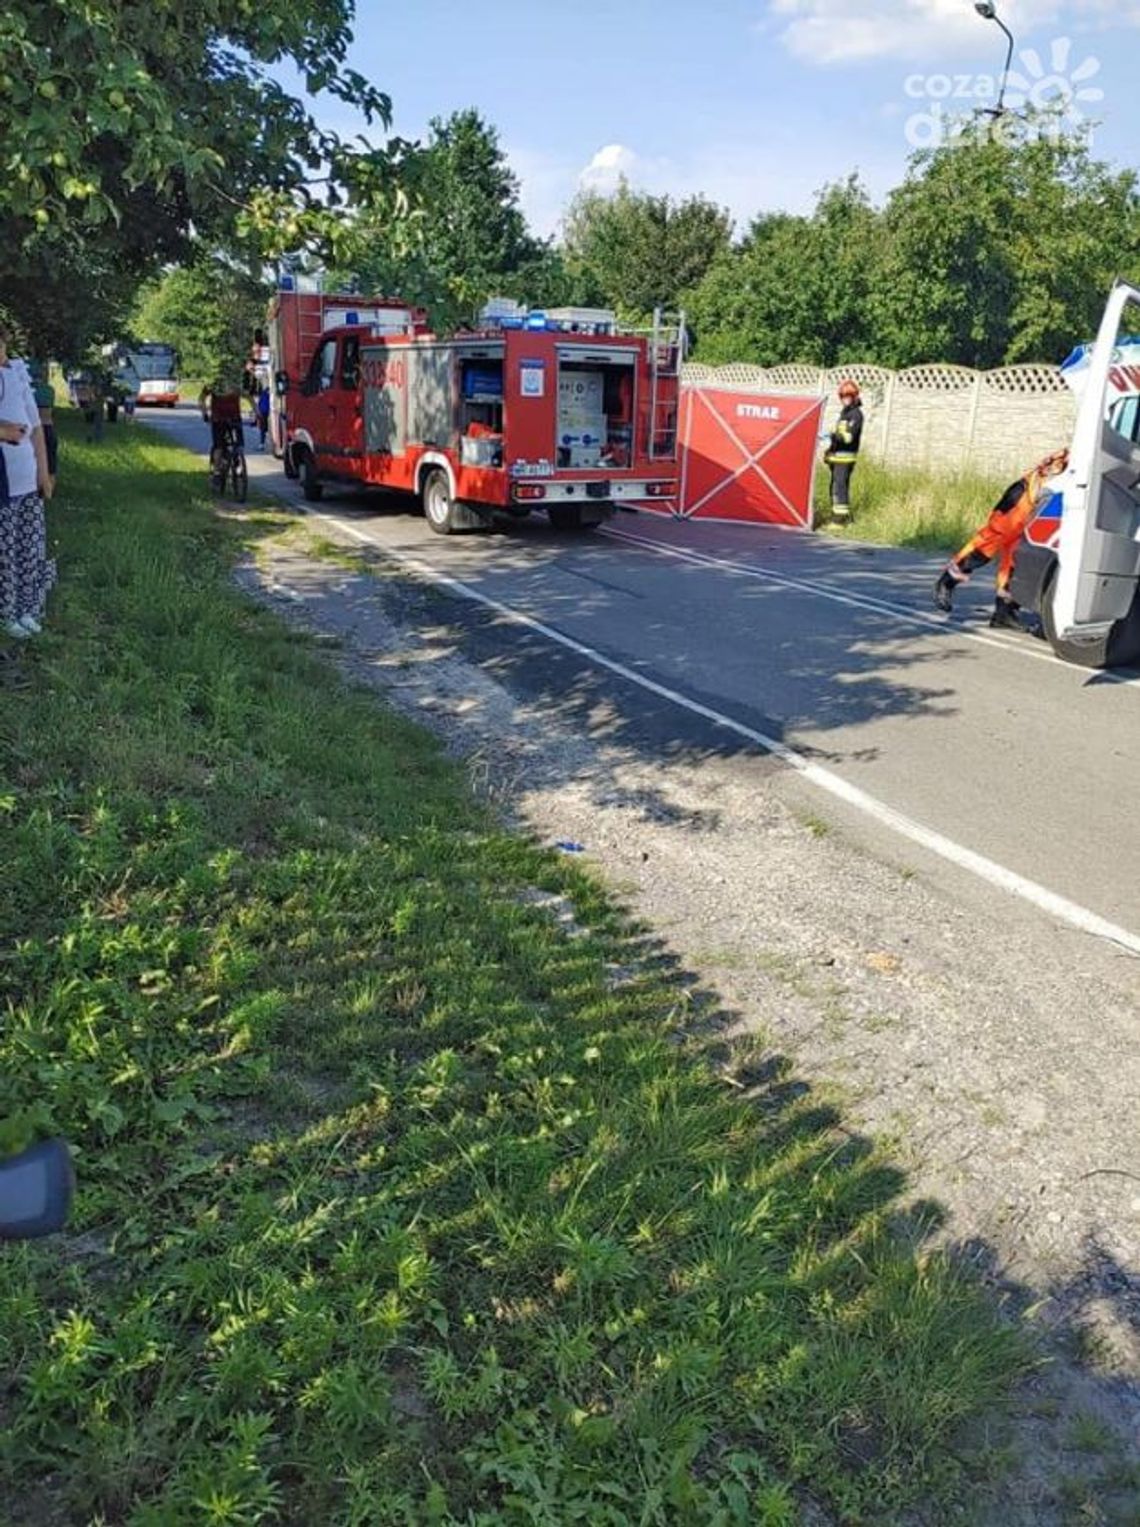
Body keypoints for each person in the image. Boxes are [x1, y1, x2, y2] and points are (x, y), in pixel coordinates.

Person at [934, 448, 1070, 627]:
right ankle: (948, 579)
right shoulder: (1085, 451)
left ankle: (1004, 612)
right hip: (1027, 497)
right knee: (993, 539)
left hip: (1046, 504)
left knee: (1017, 556)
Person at [0, 323, 55, 640]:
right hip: (3, 482)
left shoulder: (17, 374)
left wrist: (43, 472)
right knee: (5, 554)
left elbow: (35, 428)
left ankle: (28, 609)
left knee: (30, 549)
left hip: (27, 478)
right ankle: (7, 614)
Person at [824, 380, 864, 522]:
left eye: (848, 396)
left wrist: (832, 435)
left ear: (854, 396)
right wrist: (830, 451)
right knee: (835, 487)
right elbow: (840, 437)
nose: (845, 399)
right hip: (838, 457)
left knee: (840, 488)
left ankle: (840, 520)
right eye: (843, 396)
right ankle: (837, 516)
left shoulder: (856, 414)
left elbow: (849, 438)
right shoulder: (845, 414)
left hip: (845, 458)